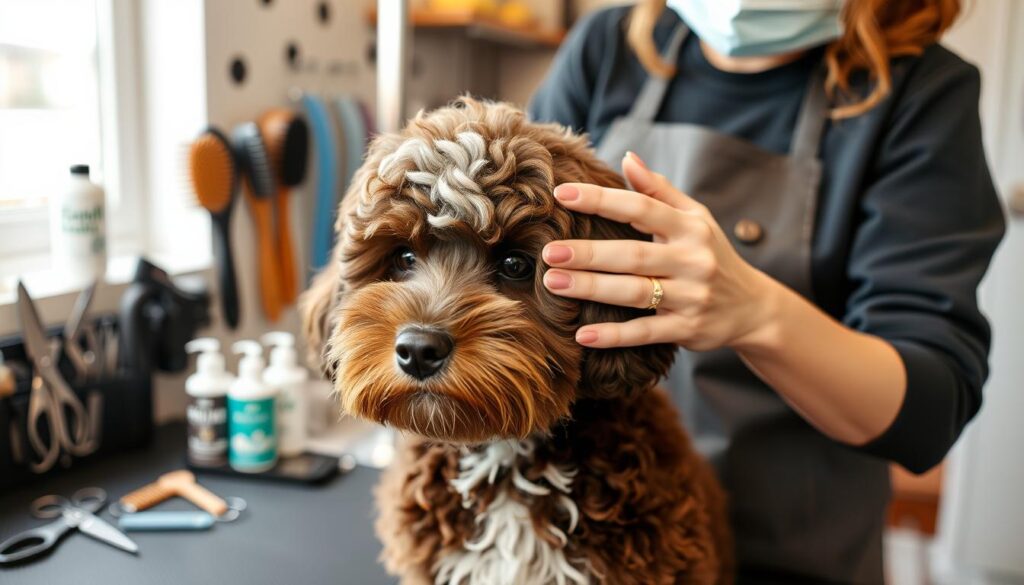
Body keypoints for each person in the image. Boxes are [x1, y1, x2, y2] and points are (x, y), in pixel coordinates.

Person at [528, 0, 1005, 582]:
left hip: (791, 553)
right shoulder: (611, 46)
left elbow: (928, 410)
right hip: (591, 528)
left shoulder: (922, 93)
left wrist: (756, 313)